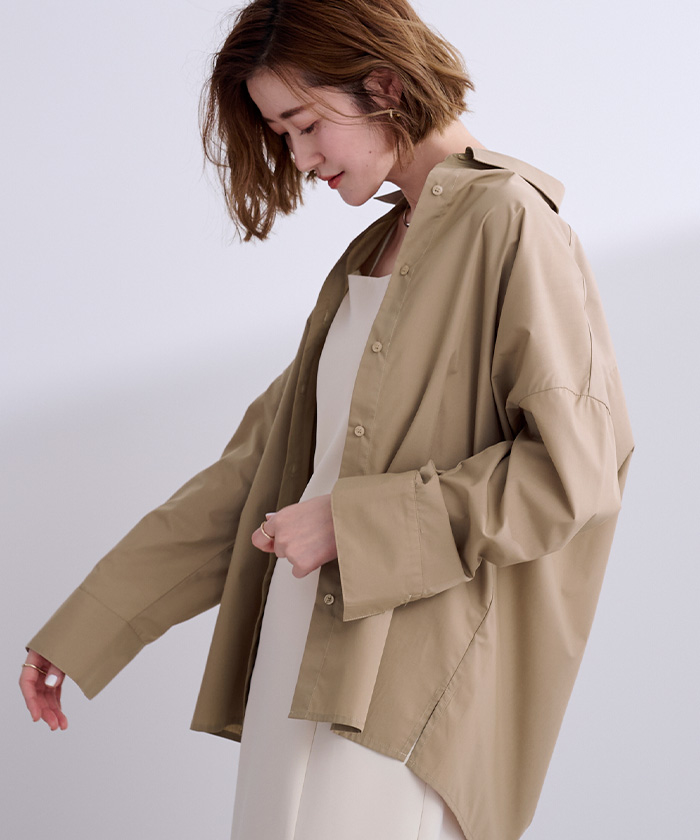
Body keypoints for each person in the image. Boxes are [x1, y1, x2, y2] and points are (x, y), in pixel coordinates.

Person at [19, 1, 634, 838]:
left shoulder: (510, 222)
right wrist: (85, 630)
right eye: (282, 136)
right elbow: (255, 476)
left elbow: (575, 471)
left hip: (404, 687)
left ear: (383, 86)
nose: (300, 158)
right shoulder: (375, 251)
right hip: (301, 656)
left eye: (305, 125)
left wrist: (353, 523)